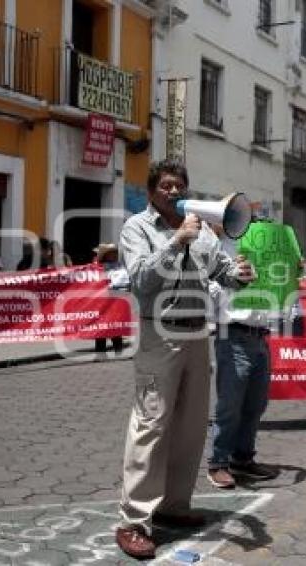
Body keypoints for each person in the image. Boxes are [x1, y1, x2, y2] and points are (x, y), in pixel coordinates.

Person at [114, 160, 255, 559]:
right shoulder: (136, 228)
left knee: (191, 425)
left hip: (197, 333)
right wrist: (176, 241)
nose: (174, 192)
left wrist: (239, 272)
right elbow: (141, 278)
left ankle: (174, 506)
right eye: (166, 187)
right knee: (151, 424)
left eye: (180, 186)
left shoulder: (203, 230)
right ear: (152, 192)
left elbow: (222, 271)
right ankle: (134, 520)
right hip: (161, 332)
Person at [206, 221, 300, 490]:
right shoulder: (223, 252)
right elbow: (211, 287)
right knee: (230, 405)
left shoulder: (264, 254)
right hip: (233, 333)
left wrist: (291, 271)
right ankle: (218, 462)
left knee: (255, 405)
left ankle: (243, 458)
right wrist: (233, 276)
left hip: (260, 335)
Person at [92, 243, 126, 355]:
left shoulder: (120, 266)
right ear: (106, 255)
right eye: (111, 253)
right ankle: (100, 352)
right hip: (101, 301)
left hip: (115, 301)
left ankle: (118, 350)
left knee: (115, 326)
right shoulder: (96, 267)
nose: (114, 255)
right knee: (100, 327)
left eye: (115, 253)